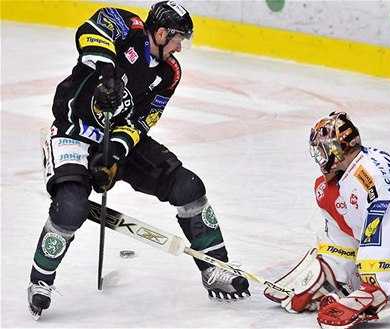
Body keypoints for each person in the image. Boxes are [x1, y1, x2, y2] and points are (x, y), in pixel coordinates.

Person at [28, 1, 250, 319]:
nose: (180, 48)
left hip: (115, 140)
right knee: (72, 206)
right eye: (178, 40)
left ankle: (215, 267)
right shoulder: (126, 24)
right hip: (72, 133)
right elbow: (89, 33)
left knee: (188, 186)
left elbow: (142, 121)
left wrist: (115, 153)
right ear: (160, 32)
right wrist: (107, 74)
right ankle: (41, 281)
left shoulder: (169, 73)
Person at [264, 112, 390, 328]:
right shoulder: (332, 187)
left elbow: (384, 228)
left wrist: (373, 285)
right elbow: (341, 236)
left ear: (337, 148)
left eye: (322, 148)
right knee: (349, 283)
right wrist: (327, 274)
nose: (319, 155)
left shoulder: (373, 173)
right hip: (383, 255)